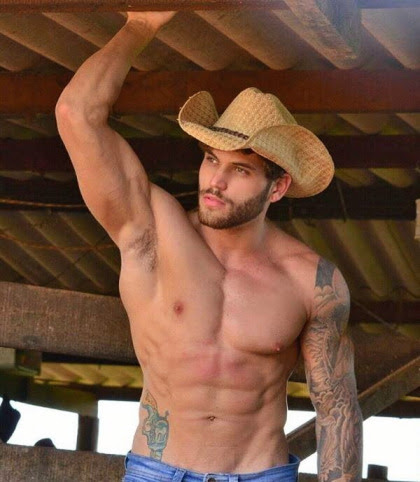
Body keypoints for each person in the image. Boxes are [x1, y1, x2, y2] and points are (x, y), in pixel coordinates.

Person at [55, 11, 363, 482]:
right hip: (157, 472)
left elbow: (337, 409)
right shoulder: (150, 233)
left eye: (239, 170)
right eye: (211, 159)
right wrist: (140, 27)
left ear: (277, 188)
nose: (215, 181)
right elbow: (76, 115)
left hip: (260, 474)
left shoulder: (312, 281)